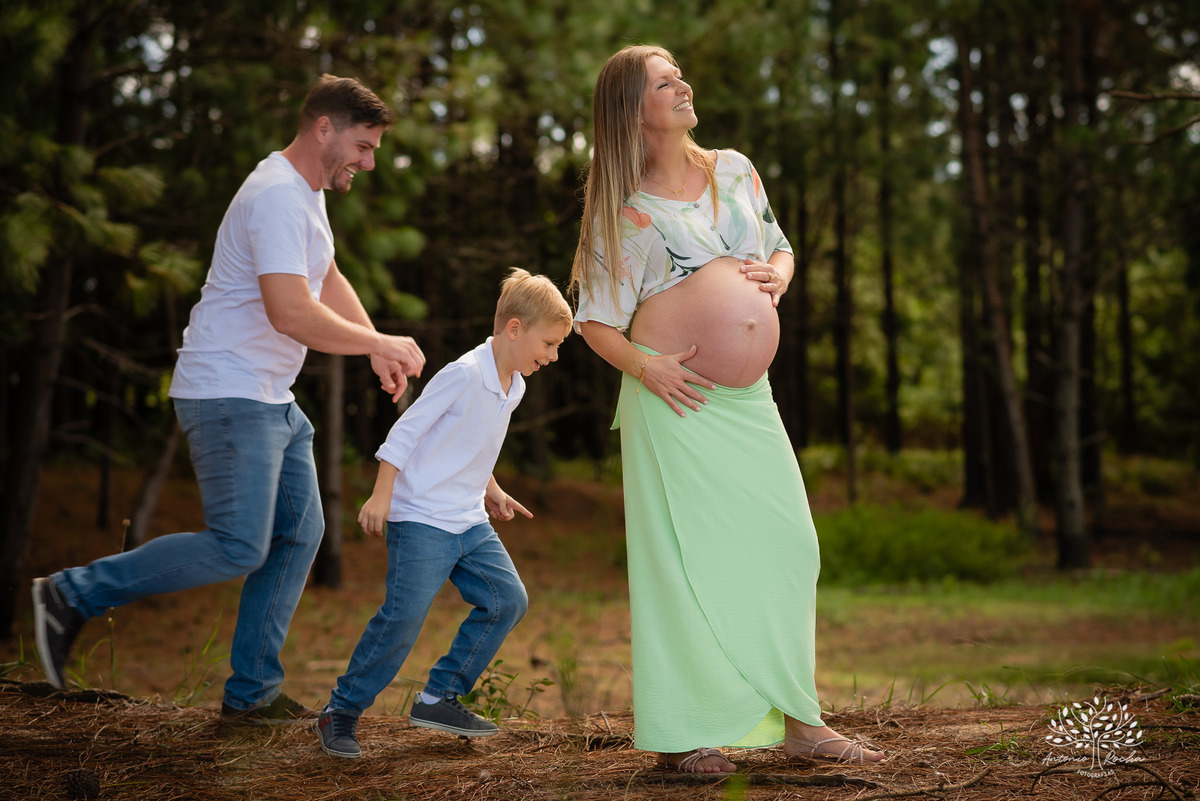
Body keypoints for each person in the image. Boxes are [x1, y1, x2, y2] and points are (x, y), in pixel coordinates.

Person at [31, 74, 426, 724]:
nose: (369, 161)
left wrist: (373, 346)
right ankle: (71, 593)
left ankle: (252, 694)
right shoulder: (275, 195)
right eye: (363, 146)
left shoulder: (305, 194)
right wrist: (376, 342)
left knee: (299, 532)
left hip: (266, 394)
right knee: (240, 543)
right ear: (323, 129)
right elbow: (290, 311)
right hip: (228, 391)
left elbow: (325, 274)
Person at [569, 45, 886, 773]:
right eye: (664, 81)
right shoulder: (622, 211)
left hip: (748, 399)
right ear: (632, 110)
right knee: (682, 564)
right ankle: (683, 733)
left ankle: (800, 720)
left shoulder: (734, 170)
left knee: (790, 543)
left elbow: (780, 248)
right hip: (673, 402)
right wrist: (647, 366)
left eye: (680, 73)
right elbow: (595, 322)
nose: (683, 84)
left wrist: (776, 277)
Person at [314, 268, 572, 759]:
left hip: (469, 520)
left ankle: (439, 696)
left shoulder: (514, 385)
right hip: (421, 518)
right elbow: (406, 432)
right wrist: (381, 496)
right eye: (550, 343)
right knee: (403, 618)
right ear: (514, 329)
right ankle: (340, 711)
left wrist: (492, 489)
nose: (554, 355)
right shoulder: (463, 374)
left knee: (507, 600)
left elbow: (476, 444)